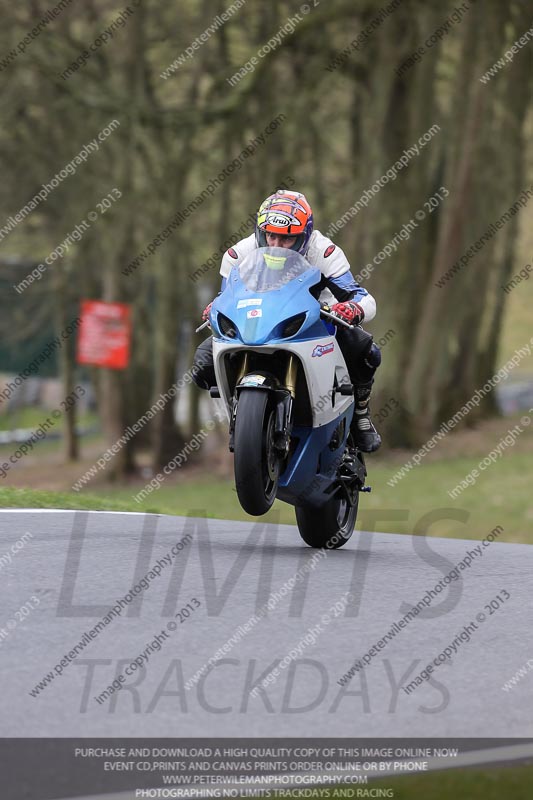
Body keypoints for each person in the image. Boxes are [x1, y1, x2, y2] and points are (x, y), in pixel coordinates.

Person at [192, 190, 381, 452]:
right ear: (260, 232)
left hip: (316, 322)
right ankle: (239, 414)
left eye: (287, 238)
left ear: (304, 235)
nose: (276, 245)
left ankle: (361, 414)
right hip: (257, 323)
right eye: (271, 235)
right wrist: (216, 305)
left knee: (366, 351)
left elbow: (362, 297)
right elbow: (227, 295)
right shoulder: (238, 254)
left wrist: (350, 309)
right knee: (202, 363)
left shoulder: (324, 251)